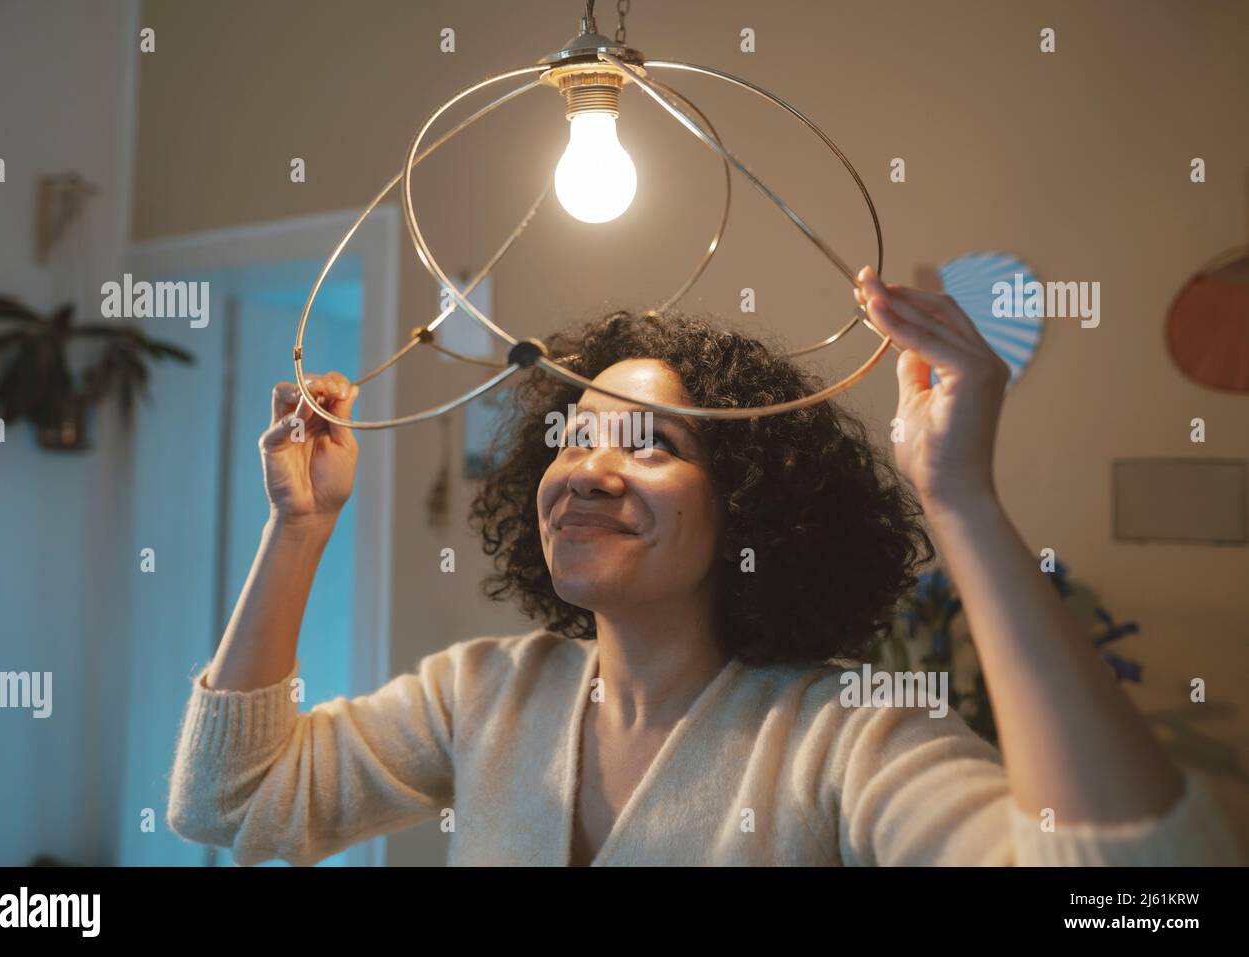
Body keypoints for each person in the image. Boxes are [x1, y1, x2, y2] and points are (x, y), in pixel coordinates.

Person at [167, 266, 1242, 866]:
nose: (586, 471)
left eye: (649, 444)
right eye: (572, 438)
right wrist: (298, 529)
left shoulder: (851, 737)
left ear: (751, 508)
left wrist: (956, 492)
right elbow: (234, 802)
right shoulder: (483, 695)